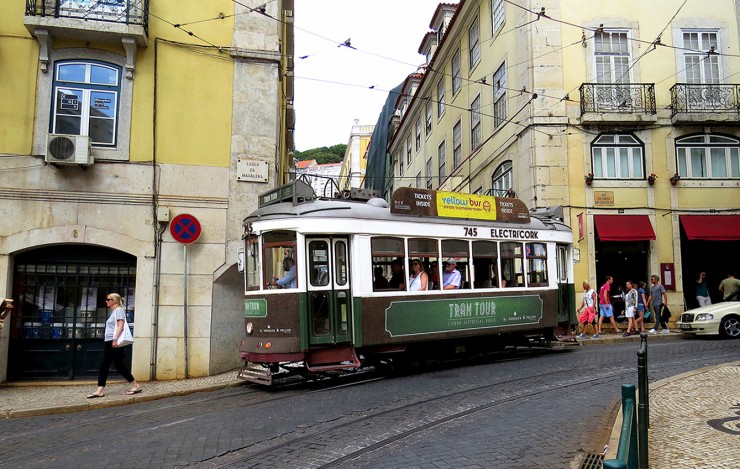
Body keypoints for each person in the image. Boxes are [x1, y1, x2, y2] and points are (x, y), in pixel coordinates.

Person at [87, 293, 141, 398]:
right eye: (107, 300)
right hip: (110, 341)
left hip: (113, 342)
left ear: (114, 301)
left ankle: (100, 390)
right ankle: (135, 385)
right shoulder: (114, 312)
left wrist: (115, 339)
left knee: (104, 365)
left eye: (108, 299)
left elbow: (121, 326)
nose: (106, 301)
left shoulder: (119, 310)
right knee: (119, 366)